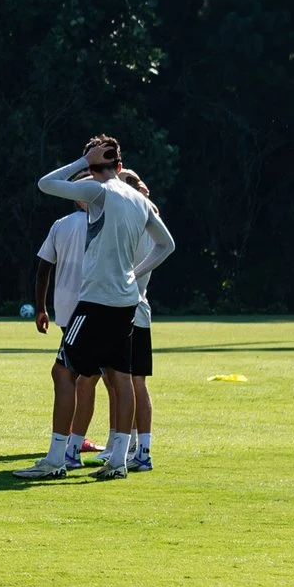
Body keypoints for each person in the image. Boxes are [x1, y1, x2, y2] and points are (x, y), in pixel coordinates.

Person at [29, 136, 176, 481]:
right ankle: (120, 460)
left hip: (95, 300)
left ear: (94, 168)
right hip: (126, 302)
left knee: (63, 373)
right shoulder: (138, 199)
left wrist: (82, 162)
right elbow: (167, 245)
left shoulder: (99, 191)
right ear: (121, 167)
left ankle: (55, 459)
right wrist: (134, 274)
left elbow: (46, 184)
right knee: (120, 377)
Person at [15, 179, 97, 478]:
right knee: (93, 378)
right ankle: (113, 447)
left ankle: (64, 453)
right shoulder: (105, 220)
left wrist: (41, 307)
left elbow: (43, 268)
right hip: (100, 307)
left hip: (72, 311)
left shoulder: (61, 224)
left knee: (67, 374)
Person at [120, 167, 166, 473]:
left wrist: (131, 276)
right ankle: (136, 447)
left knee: (131, 381)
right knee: (127, 381)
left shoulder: (135, 217)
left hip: (130, 308)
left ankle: (141, 450)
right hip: (133, 306)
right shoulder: (149, 215)